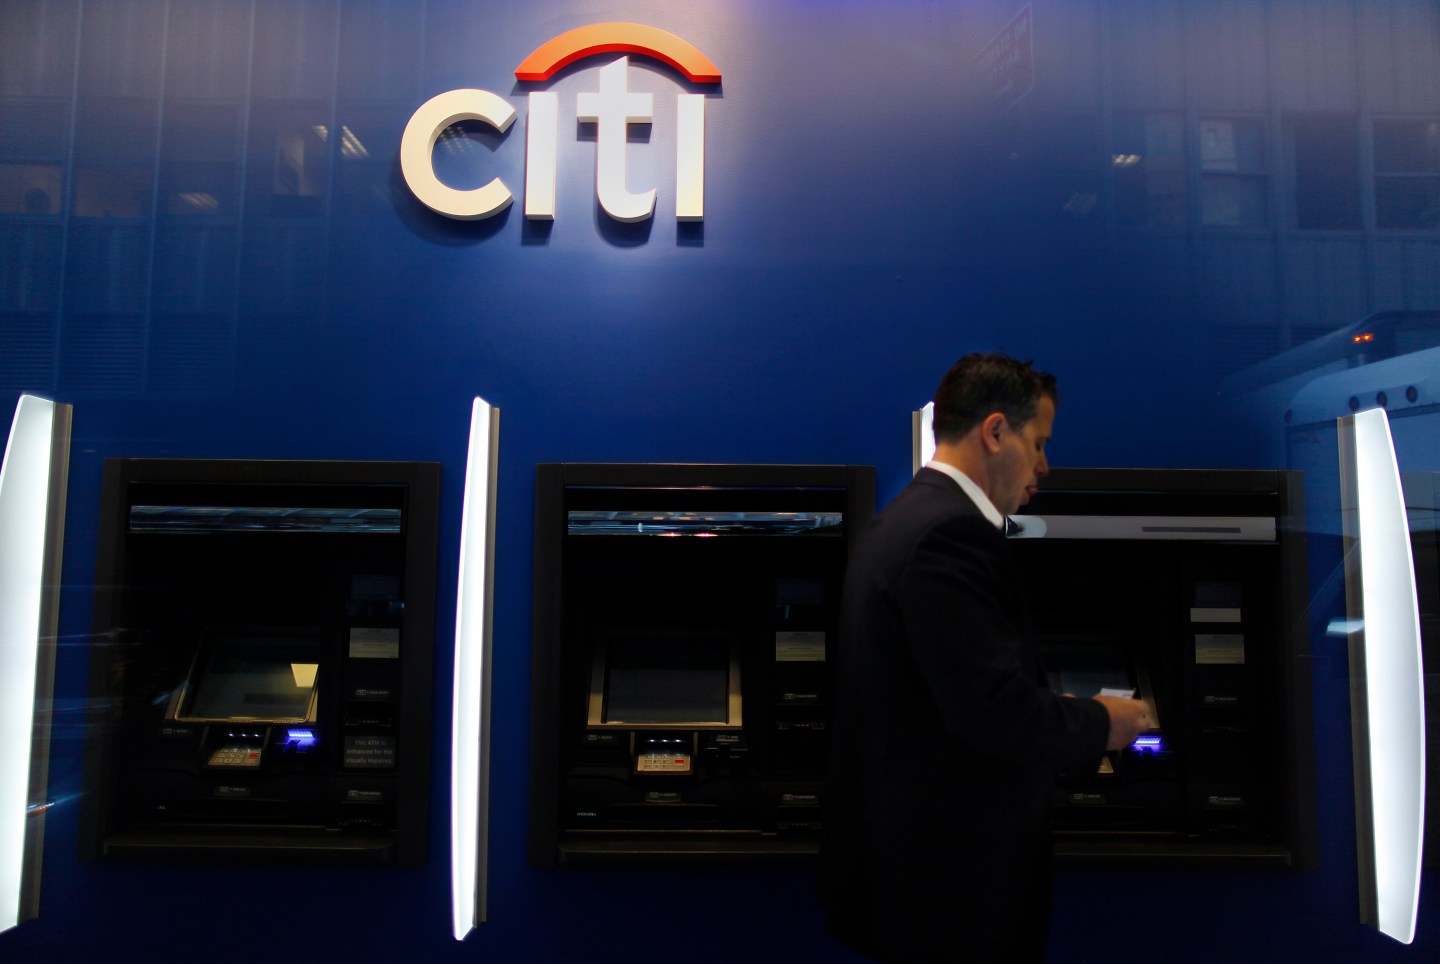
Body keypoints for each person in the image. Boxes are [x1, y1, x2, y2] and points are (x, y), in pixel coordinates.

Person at [820, 352, 1151, 961]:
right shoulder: (950, 534)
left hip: (913, 879)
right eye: (1039, 443)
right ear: (996, 431)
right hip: (951, 894)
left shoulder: (902, 519)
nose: (1045, 466)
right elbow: (992, 710)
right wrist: (1104, 721)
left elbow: (945, 693)